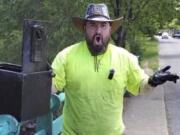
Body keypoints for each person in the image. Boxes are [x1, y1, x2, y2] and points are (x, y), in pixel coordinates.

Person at [51, 3, 179, 135]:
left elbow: (140, 86)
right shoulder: (66, 56)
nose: (98, 31)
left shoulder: (124, 57)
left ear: (110, 29)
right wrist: (38, 75)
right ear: (85, 28)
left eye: (103, 25)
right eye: (92, 25)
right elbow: (51, 87)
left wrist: (152, 82)